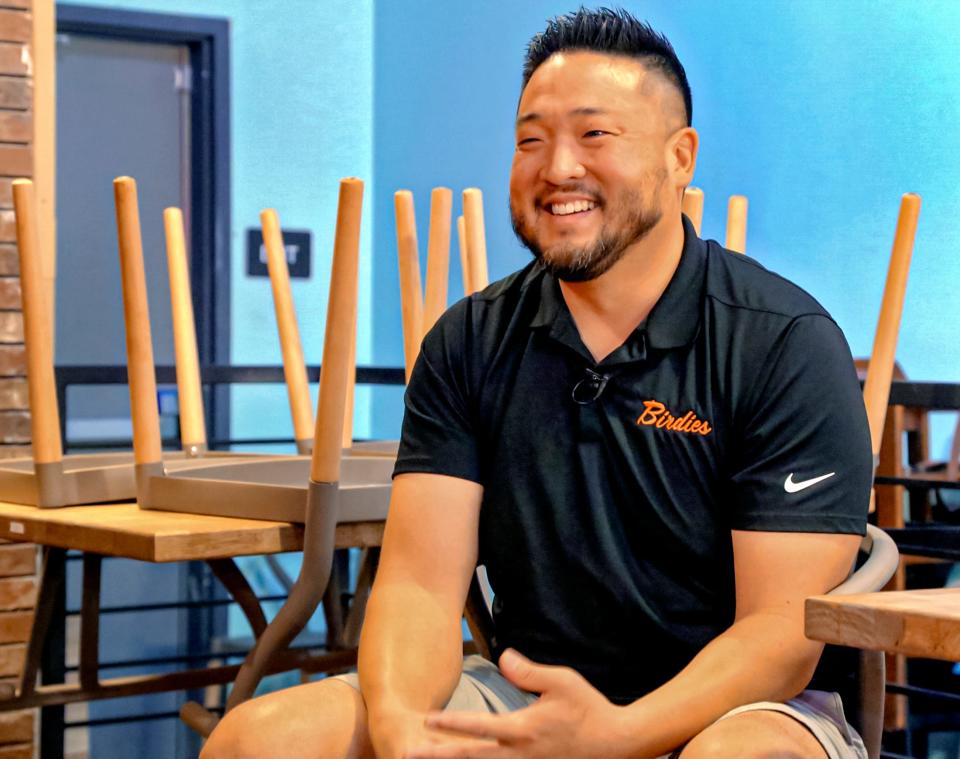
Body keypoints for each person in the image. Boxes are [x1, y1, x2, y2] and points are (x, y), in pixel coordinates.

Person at [203, 8, 872, 758]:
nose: (557, 168)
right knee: (260, 739)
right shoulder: (468, 342)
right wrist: (403, 736)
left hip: (744, 710)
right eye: (531, 140)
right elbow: (421, 588)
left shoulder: (782, 342)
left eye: (595, 135)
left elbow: (779, 635)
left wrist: (614, 734)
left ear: (680, 157)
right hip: (526, 697)